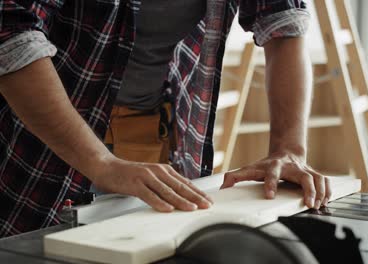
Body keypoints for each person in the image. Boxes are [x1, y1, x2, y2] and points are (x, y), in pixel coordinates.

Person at [0, 0, 331, 238]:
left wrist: (288, 149)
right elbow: (10, 31)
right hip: (43, 144)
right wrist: (101, 162)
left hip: (162, 142)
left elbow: (285, 23)